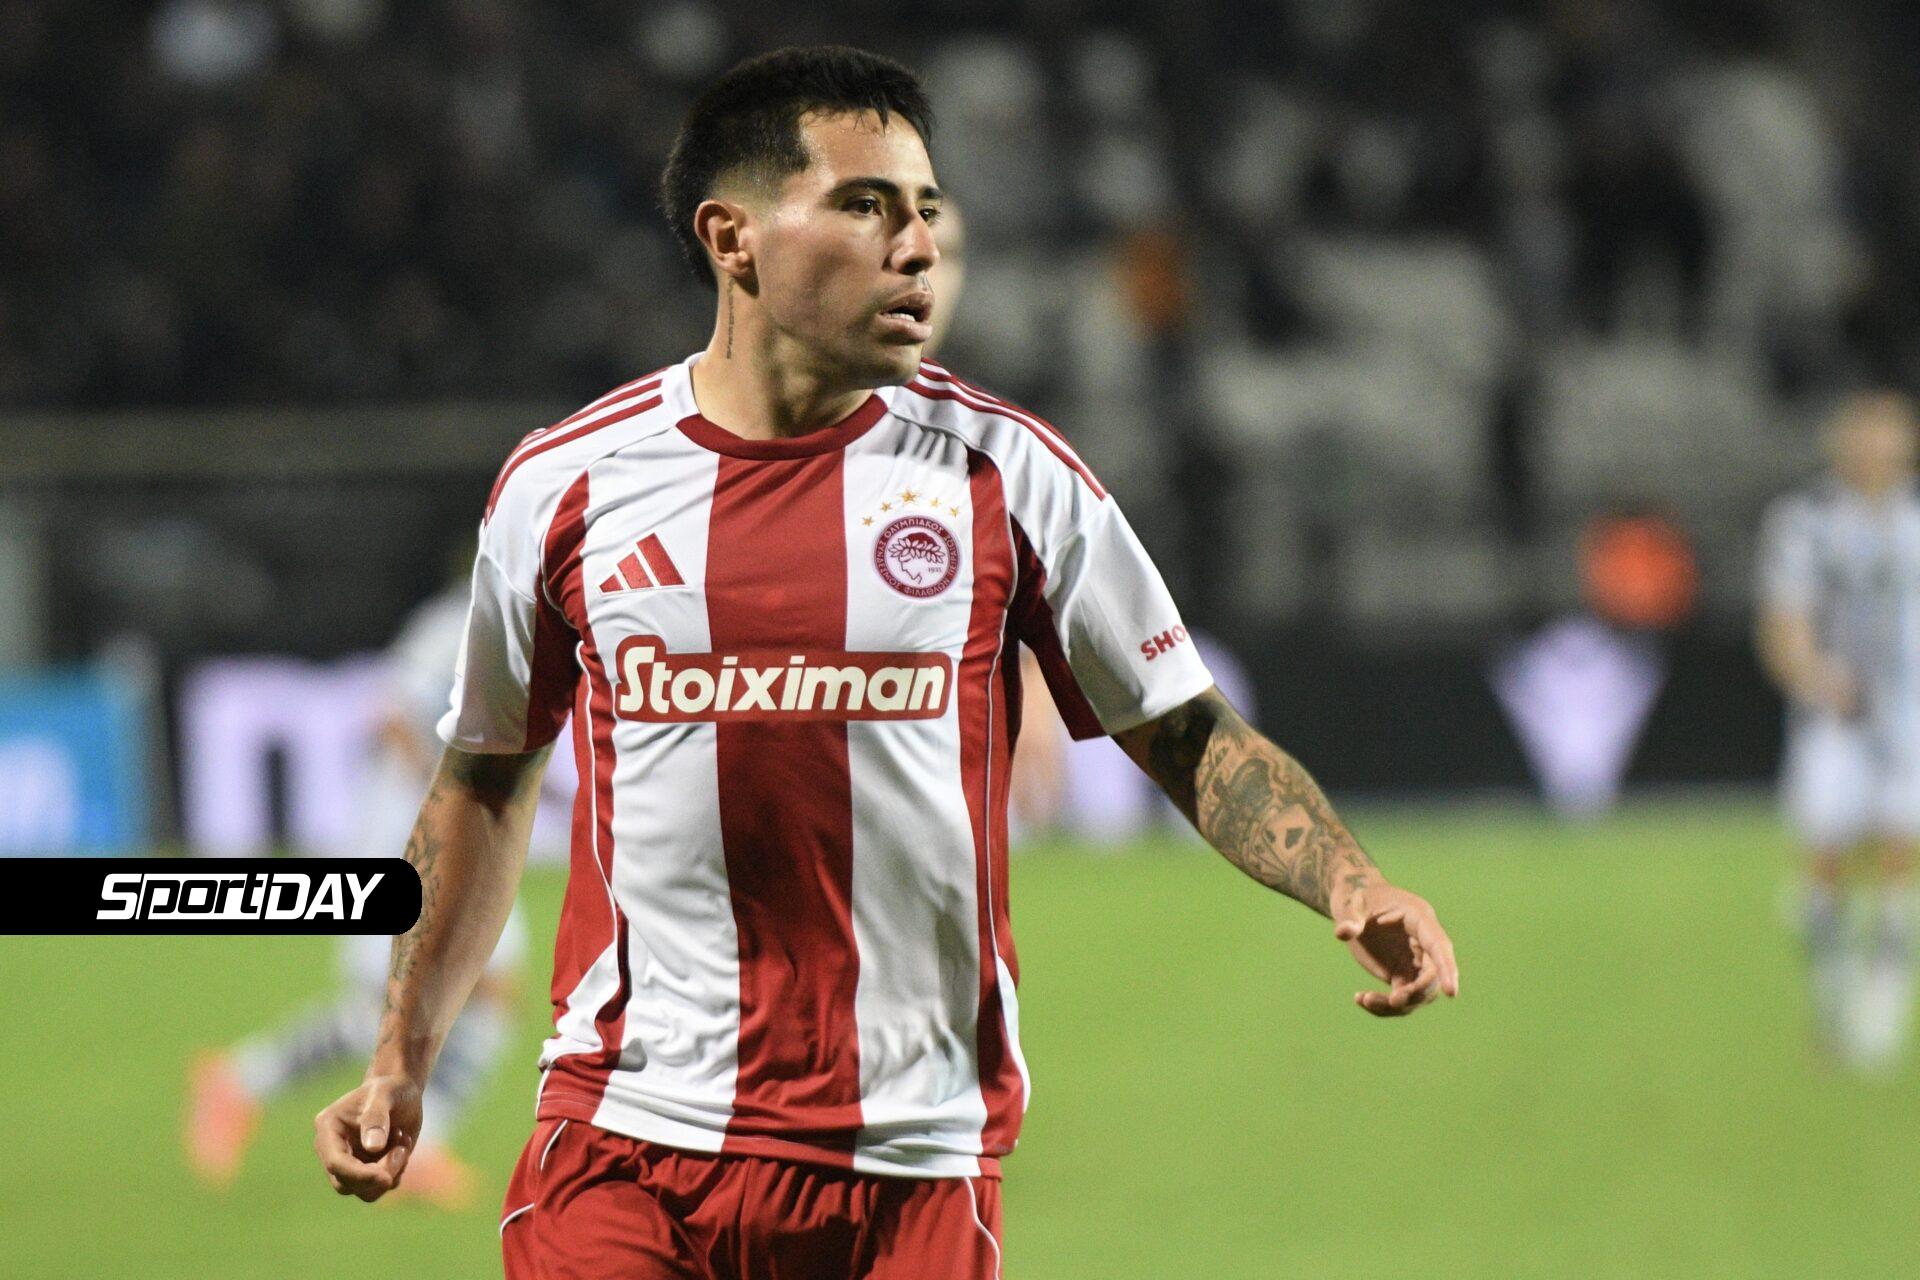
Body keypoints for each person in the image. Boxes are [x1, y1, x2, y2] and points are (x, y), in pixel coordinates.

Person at [312, 46, 1460, 1276]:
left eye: (925, 211)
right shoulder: (567, 485)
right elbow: (484, 780)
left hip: (912, 1161)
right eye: (866, 206)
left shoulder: (1012, 475)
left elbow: (1186, 733)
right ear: (733, 238)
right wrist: (400, 1057)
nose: (916, 248)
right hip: (627, 1138)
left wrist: (1349, 879)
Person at [187, 574, 531, 1208]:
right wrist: (449, 797)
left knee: (483, 989)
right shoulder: (460, 621)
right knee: (401, 1001)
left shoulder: (524, 621)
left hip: (459, 831)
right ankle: (242, 1082)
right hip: (411, 828)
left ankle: (251, 1084)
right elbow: (393, 714)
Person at [1757, 390, 1920, 1070]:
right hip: (1835, 715)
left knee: (1900, 850)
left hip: (1910, 714)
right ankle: (1832, 999)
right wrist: (1815, 678)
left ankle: (1885, 991)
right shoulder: (1804, 521)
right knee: (1826, 855)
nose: (1877, 452)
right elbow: (1783, 621)